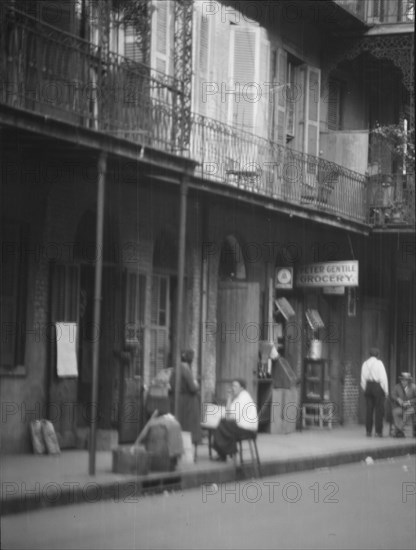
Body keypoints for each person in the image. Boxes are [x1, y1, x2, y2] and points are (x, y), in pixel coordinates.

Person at [212, 378, 258, 461]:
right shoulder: (238, 398)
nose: (233, 388)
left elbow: (232, 416)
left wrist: (227, 417)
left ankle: (224, 453)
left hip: (247, 429)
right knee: (222, 424)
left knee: (222, 424)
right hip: (241, 427)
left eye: (235, 386)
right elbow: (228, 414)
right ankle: (224, 453)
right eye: (232, 385)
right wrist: (229, 398)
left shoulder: (243, 398)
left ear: (242, 388)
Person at [169, 349, 202, 447]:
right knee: (189, 426)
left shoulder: (176, 368)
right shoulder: (185, 368)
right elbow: (192, 388)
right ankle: (189, 445)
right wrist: (197, 384)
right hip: (188, 402)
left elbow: (171, 384)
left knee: (181, 423)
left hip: (177, 399)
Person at [360, 347, 389, 437]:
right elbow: (383, 378)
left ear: (370, 354)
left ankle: (368, 431)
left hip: (368, 386)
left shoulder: (365, 364)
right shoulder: (379, 363)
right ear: (377, 355)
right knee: (379, 410)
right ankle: (378, 432)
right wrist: (386, 391)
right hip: (377, 387)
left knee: (369, 410)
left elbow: (363, 379)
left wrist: (366, 388)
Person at [390, 372, 416, 438]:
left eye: (405, 380)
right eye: (402, 380)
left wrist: (409, 402)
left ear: (409, 381)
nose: (403, 381)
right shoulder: (397, 387)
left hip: (412, 407)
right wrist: (398, 399)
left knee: (407, 413)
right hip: (401, 407)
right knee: (395, 412)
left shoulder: (413, 387)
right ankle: (399, 431)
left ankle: (398, 429)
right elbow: (392, 394)